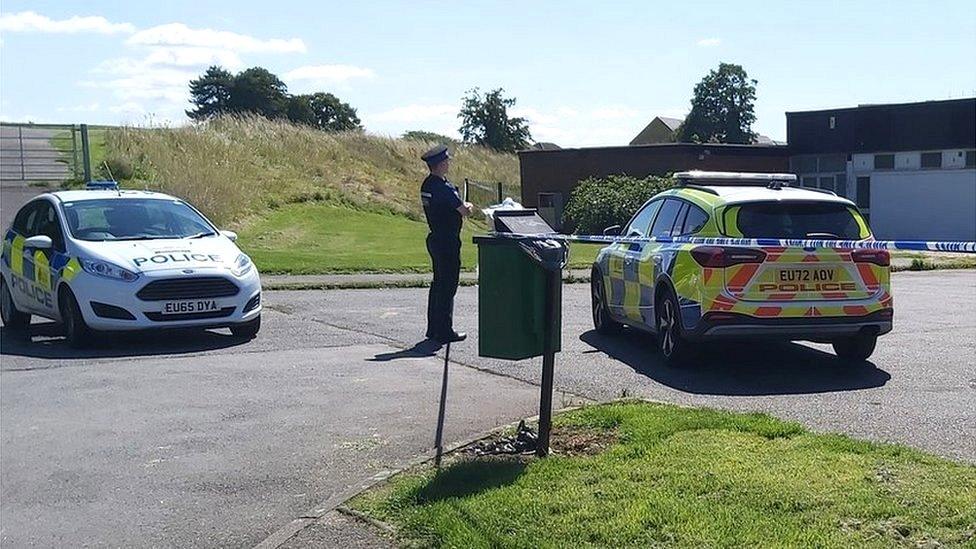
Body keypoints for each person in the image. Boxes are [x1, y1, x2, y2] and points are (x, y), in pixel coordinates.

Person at [420, 144, 473, 343]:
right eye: (446, 161)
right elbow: (463, 210)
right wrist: (468, 205)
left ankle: (433, 328)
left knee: (438, 285)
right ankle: (444, 330)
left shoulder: (428, 185)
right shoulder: (442, 188)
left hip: (435, 238)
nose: (449, 163)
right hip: (447, 240)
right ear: (441, 164)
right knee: (448, 286)